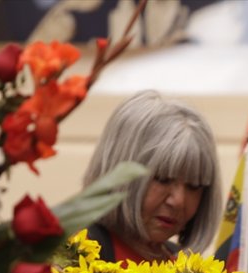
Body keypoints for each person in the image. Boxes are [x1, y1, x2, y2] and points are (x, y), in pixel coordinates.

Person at [82, 90, 222, 263]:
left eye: (194, 186)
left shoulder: (184, 267)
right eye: (163, 179)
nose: (178, 201)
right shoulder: (80, 253)